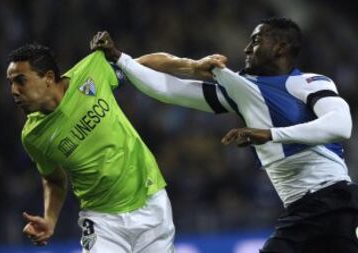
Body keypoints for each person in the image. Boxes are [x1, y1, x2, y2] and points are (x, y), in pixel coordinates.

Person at [91, 17, 358, 252]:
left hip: (335, 199)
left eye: (256, 41)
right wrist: (119, 57)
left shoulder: (310, 82)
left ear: (280, 47)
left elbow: (340, 126)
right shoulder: (242, 89)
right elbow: (170, 89)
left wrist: (271, 134)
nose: (246, 48)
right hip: (304, 210)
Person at [7, 43, 176, 253]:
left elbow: (140, 65)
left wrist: (194, 66)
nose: (14, 91)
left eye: (20, 81)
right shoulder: (33, 136)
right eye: (11, 83)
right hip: (101, 221)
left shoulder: (91, 72)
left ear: (48, 77)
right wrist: (50, 219)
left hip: (150, 201)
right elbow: (53, 179)